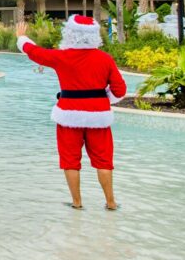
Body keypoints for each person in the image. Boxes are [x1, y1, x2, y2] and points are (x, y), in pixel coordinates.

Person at [16, 15, 125, 211]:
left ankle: (77, 202)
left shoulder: (62, 56)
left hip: (68, 117)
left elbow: (35, 53)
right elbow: (120, 90)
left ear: (70, 33)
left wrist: (22, 38)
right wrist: (101, 98)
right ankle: (110, 202)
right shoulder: (105, 58)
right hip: (98, 117)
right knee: (104, 160)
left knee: (70, 160)